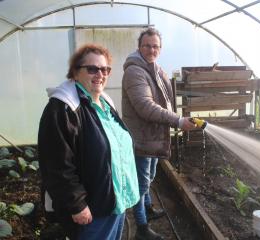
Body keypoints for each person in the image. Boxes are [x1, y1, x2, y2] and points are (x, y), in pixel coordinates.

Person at [38, 43, 140, 240]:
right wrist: (77, 205)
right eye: (92, 69)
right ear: (75, 73)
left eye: (105, 69)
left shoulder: (104, 102)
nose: (100, 74)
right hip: (93, 210)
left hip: (115, 201)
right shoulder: (63, 108)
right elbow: (57, 165)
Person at [122, 28, 196, 240]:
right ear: (139, 46)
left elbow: (166, 100)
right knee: (141, 183)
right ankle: (142, 228)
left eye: (155, 46)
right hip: (142, 137)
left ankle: (148, 209)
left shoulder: (155, 69)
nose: (151, 49)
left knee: (150, 176)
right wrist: (178, 120)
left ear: (160, 49)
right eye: (147, 45)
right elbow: (145, 106)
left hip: (154, 136)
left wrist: (175, 118)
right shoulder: (135, 71)